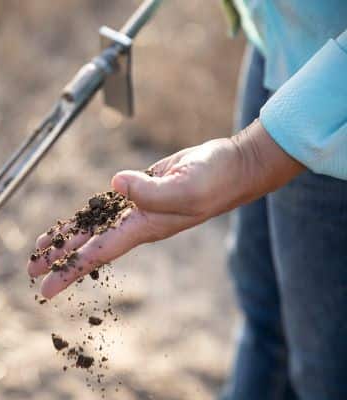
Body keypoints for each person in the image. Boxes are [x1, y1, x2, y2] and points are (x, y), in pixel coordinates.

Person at [27, 2, 347, 399]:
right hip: (280, 35)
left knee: (326, 368)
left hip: (333, 102)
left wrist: (251, 157)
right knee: (263, 310)